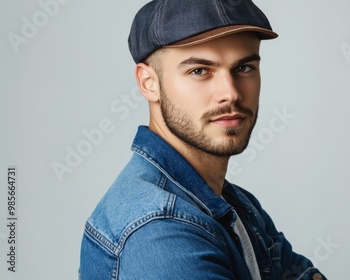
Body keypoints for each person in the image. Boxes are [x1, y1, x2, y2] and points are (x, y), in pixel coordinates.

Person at [79, 0, 327, 279]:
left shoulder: (235, 204)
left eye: (244, 68)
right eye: (199, 71)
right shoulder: (160, 232)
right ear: (149, 83)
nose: (230, 93)